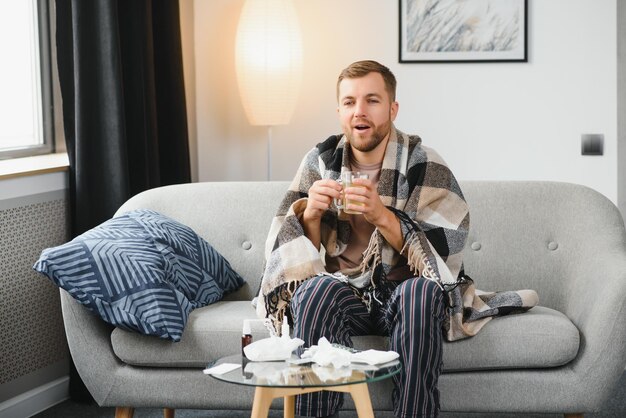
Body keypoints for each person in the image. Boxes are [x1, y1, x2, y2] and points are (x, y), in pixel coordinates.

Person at [257, 60, 470, 418]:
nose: (361, 111)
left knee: (421, 293)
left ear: (392, 108)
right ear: (339, 111)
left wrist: (382, 216)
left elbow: (445, 250)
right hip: (343, 292)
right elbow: (298, 258)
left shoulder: (424, 162)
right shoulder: (321, 160)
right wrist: (310, 215)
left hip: (403, 292)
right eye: (350, 101)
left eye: (372, 100)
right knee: (313, 292)